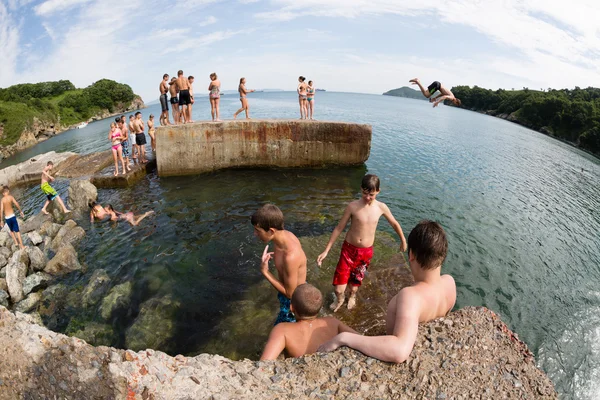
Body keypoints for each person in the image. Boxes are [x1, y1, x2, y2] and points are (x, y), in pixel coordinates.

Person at [318, 220, 456, 363]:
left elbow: (400, 351)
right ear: (443, 255)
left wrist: (344, 338)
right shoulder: (449, 283)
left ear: (411, 255)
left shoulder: (411, 296)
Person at [317, 174, 407, 312]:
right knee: (338, 288)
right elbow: (339, 228)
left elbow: (394, 223)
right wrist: (326, 250)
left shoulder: (381, 207)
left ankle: (352, 296)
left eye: (371, 194)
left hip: (365, 253)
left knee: (354, 285)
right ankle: (340, 299)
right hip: (348, 250)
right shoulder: (353, 207)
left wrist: (403, 240)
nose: (367, 197)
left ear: (378, 191)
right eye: (365, 193)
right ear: (361, 190)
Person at [260, 283, 358, 360]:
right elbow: (360, 338)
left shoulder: (282, 330)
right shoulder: (332, 322)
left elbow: (264, 365)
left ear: (291, 308)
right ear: (320, 308)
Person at [252, 204, 307, 325]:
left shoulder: (290, 256)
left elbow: (290, 294)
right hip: (292, 289)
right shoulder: (285, 236)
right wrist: (277, 256)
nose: (255, 234)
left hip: (295, 303)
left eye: (258, 230)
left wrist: (265, 271)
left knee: (278, 334)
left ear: (271, 231)